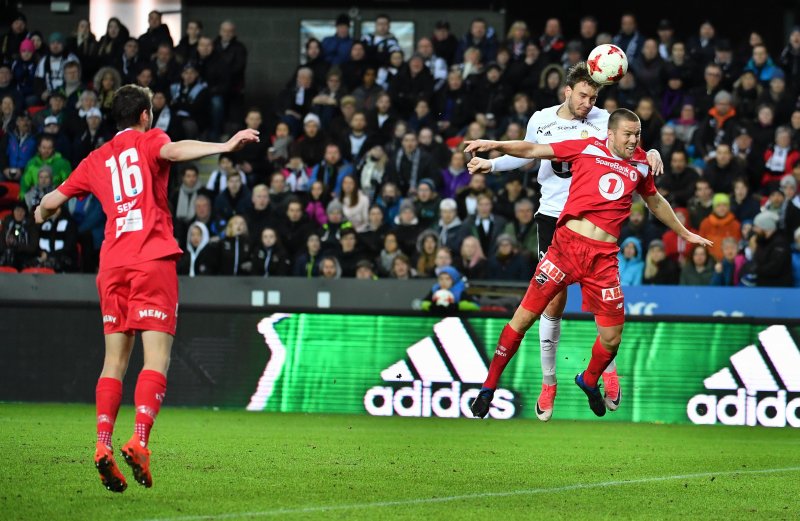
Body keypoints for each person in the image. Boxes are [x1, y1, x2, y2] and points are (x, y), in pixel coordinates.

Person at [34, 85, 259, 492]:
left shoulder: (96, 158)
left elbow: (52, 199)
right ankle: (139, 439)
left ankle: (102, 445)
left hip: (113, 264)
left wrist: (38, 213)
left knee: (113, 362)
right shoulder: (151, 139)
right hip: (151, 259)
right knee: (156, 358)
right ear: (143, 116)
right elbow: (172, 152)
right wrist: (225, 144)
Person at [464, 107, 710, 420]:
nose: (634, 140)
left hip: (602, 260)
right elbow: (533, 149)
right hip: (564, 250)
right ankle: (488, 387)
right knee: (523, 319)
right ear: (611, 133)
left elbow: (656, 202)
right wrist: (494, 144)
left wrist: (684, 232)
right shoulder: (587, 147)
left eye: (638, 135)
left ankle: (589, 379)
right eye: (628, 134)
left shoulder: (642, 165)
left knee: (612, 338)